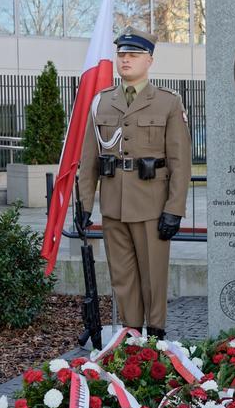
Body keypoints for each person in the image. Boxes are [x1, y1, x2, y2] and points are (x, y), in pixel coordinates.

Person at [78, 26, 192, 339]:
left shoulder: (167, 103)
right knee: (122, 277)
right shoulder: (102, 102)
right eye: (121, 54)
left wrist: (174, 209)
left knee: (153, 277)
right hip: (114, 205)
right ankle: (130, 335)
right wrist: (85, 203)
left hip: (152, 206)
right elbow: (89, 158)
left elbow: (180, 162)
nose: (125, 60)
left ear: (149, 60)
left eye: (133, 54)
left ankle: (155, 337)